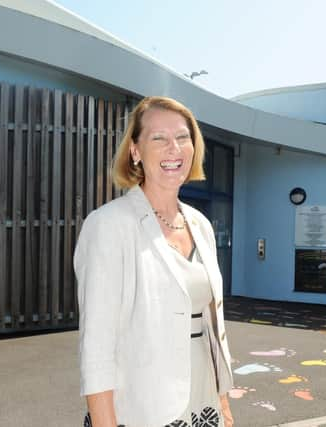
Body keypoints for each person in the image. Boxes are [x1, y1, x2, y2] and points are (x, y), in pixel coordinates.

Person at [74, 96, 234, 427]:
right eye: (158, 138)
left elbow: (211, 326)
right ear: (135, 150)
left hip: (203, 402)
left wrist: (222, 401)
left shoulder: (201, 225)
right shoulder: (109, 225)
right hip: (142, 407)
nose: (173, 148)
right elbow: (97, 345)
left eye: (182, 137)